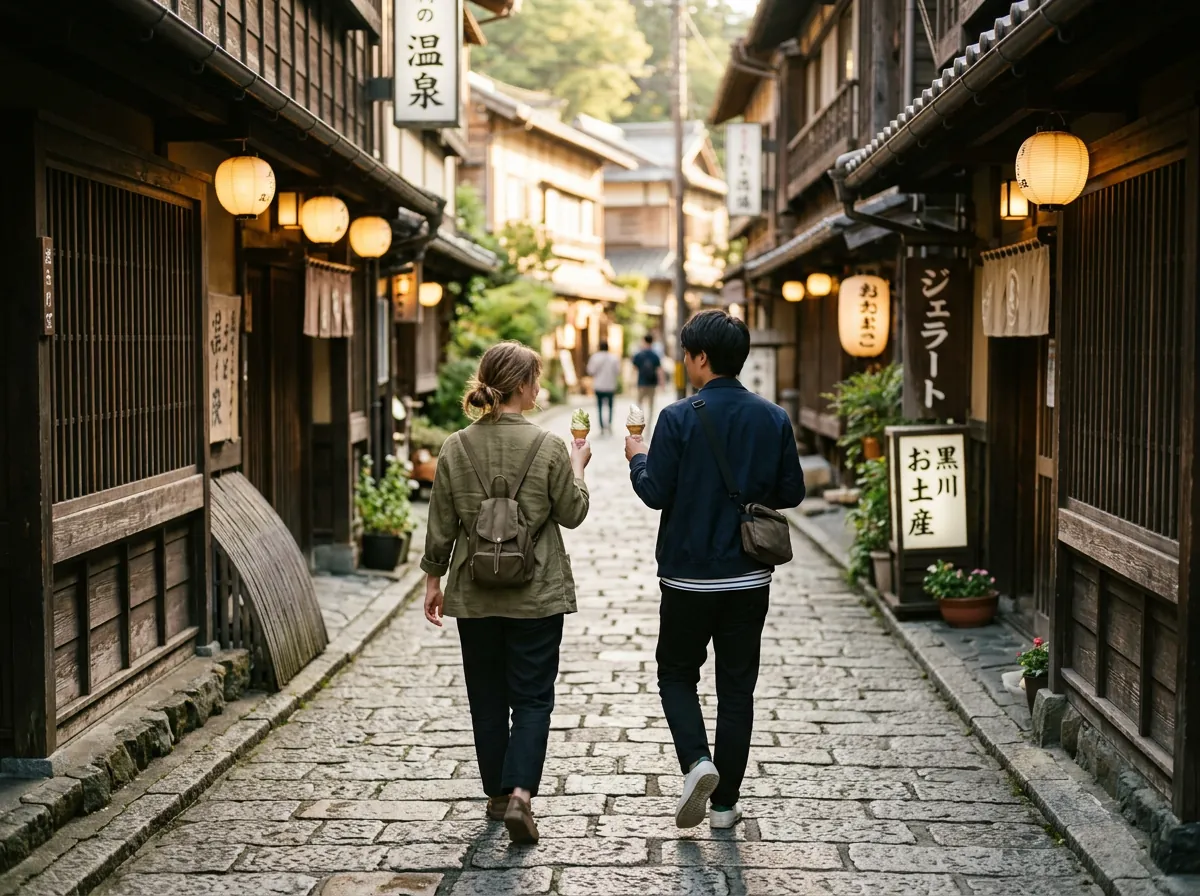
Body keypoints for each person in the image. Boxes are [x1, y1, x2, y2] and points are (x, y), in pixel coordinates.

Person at [625, 309, 805, 831]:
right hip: (749, 576)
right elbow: (791, 492)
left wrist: (637, 455)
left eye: (686, 353)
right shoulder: (773, 417)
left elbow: (654, 492)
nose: (684, 361)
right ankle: (725, 805)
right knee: (737, 688)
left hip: (686, 576)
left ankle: (697, 761)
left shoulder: (679, 417)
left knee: (676, 674)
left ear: (701, 358)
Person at [421, 341, 591, 845]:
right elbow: (573, 513)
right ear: (521, 386)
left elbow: (441, 523)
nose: (539, 388)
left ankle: (496, 794)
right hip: (536, 595)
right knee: (533, 698)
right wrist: (580, 465)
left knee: (487, 697)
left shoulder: (455, 446)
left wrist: (435, 579)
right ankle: (521, 794)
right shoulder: (550, 446)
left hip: (474, 594)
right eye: (536, 379)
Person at [586, 341, 621, 435]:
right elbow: (618, 371)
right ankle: (609, 424)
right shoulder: (614, 358)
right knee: (610, 407)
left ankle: (601, 427)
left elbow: (590, 371)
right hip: (610, 385)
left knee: (600, 407)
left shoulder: (595, 357)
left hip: (599, 385)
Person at [631, 333, 665, 432]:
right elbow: (659, 370)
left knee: (639, 407)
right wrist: (662, 384)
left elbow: (634, 370)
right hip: (652, 384)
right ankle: (648, 429)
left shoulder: (639, 355)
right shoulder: (655, 355)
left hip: (641, 384)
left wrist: (631, 383)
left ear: (644, 341)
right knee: (651, 407)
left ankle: (639, 426)